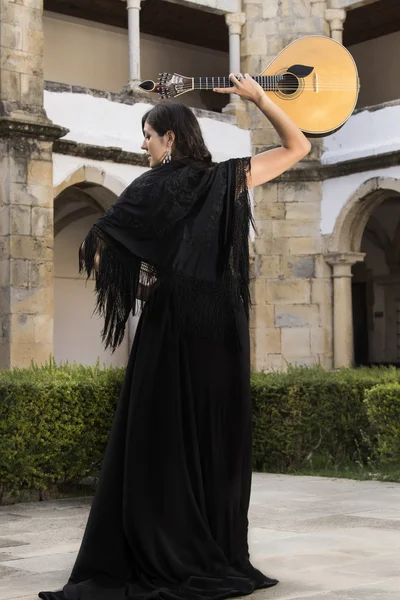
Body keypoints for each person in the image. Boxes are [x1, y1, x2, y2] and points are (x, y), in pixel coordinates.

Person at [39, 74, 310, 600]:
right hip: (222, 333)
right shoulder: (228, 179)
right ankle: (212, 550)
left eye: (147, 134)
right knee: (215, 436)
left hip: (172, 328)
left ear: (169, 138)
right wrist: (259, 98)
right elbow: (298, 146)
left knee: (159, 438)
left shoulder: (148, 187)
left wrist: (149, 288)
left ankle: (160, 544)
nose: (142, 144)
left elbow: (96, 246)